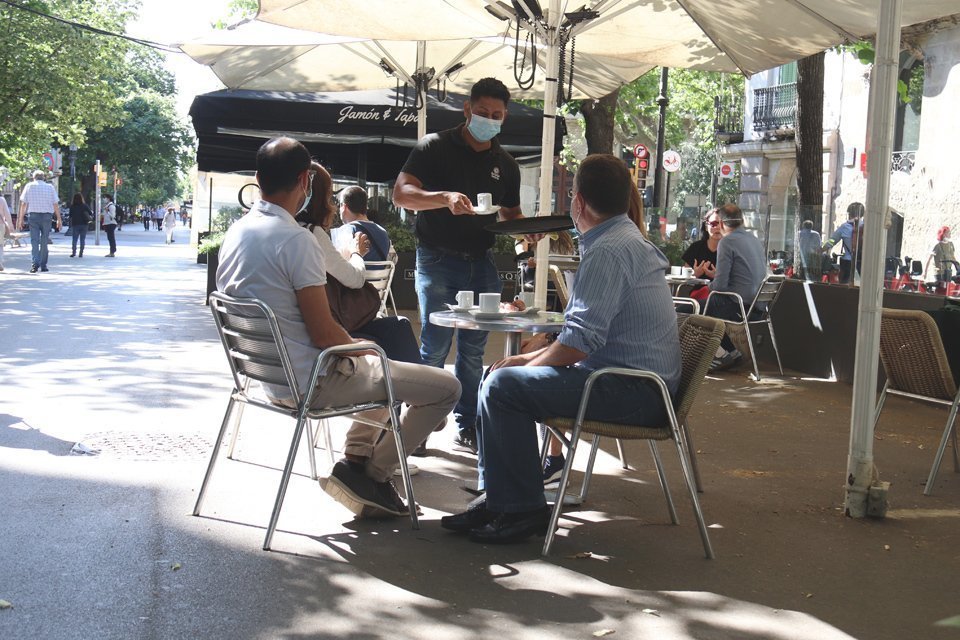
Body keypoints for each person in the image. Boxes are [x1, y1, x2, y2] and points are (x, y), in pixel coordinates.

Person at [440, 154, 681, 543]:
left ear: (578, 202)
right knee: (501, 376)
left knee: (504, 386)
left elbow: (580, 342)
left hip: (631, 391)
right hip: (637, 385)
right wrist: (524, 360)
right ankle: (500, 498)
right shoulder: (622, 240)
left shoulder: (608, 250)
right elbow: (580, 337)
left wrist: (522, 361)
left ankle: (520, 509)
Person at [217, 137, 460, 518]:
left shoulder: (236, 234)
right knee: (445, 387)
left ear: (257, 178)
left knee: (381, 367)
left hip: (266, 378)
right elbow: (326, 335)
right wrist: (364, 349)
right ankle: (376, 475)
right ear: (303, 181)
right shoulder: (296, 242)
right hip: (313, 381)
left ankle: (356, 464)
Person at [393, 77, 530, 455]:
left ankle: (467, 424)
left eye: (497, 115)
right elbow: (401, 193)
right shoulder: (433, 147)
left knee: (473, 353)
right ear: (467, 110)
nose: (489, 119)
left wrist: (528, 238)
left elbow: (511, 215)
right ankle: (417, 423)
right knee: (434, 346)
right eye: (483, 112)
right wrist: (443, 198)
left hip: (482, 263)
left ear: (504, 118)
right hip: (436, 258)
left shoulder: (506, 164)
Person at [703, 204, 767, 371]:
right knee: (712, 304)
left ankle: (720, 354)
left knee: (692, 308)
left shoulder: (727, 242)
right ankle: (732, 352)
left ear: (722, 223)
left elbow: (720, 286)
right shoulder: (754, 239)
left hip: (740, 306)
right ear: (742, 221)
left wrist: (710, 283)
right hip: (759, 307)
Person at [332, 186, 396, 264]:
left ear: (344, 207)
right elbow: (393, 260)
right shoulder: (383, 232)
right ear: (365, 206)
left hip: (354, 275)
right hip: (380, 276)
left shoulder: (344, 231)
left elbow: (336, 264)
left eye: (340, 205)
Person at [18, 170, 62, 273]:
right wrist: (59, 219)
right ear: (44, 178)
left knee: (34, 240)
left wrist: (20, 219)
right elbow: (55, 204)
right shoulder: (50, 187)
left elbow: (23, 204)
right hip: (47, 216)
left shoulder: (29, 186)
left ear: (34, 177)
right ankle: (43, 265)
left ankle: (34, 264)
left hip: (33, 216)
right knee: (44, 241)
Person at [823, 202, 864, 284]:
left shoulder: (845, 227)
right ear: (862, 214)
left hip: (847, 262)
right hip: (862, 261)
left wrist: (821, 249)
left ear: (849, 213)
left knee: (844, 285)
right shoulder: (865, 226)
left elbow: (832, 241)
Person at [67, 194, 93, 258]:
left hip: (75, 224)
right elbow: (90, 213)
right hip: (84, 224)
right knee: (82, 239)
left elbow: (70, 215)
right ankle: (81, 253)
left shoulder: (73, 206)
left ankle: (73, 252)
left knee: (75, 239)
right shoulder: (84, 206)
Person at [0, 195, 12, 272]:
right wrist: (10, 226)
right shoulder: (2, 200)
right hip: (0, 225)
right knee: (0, 245)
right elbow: (7, 213)